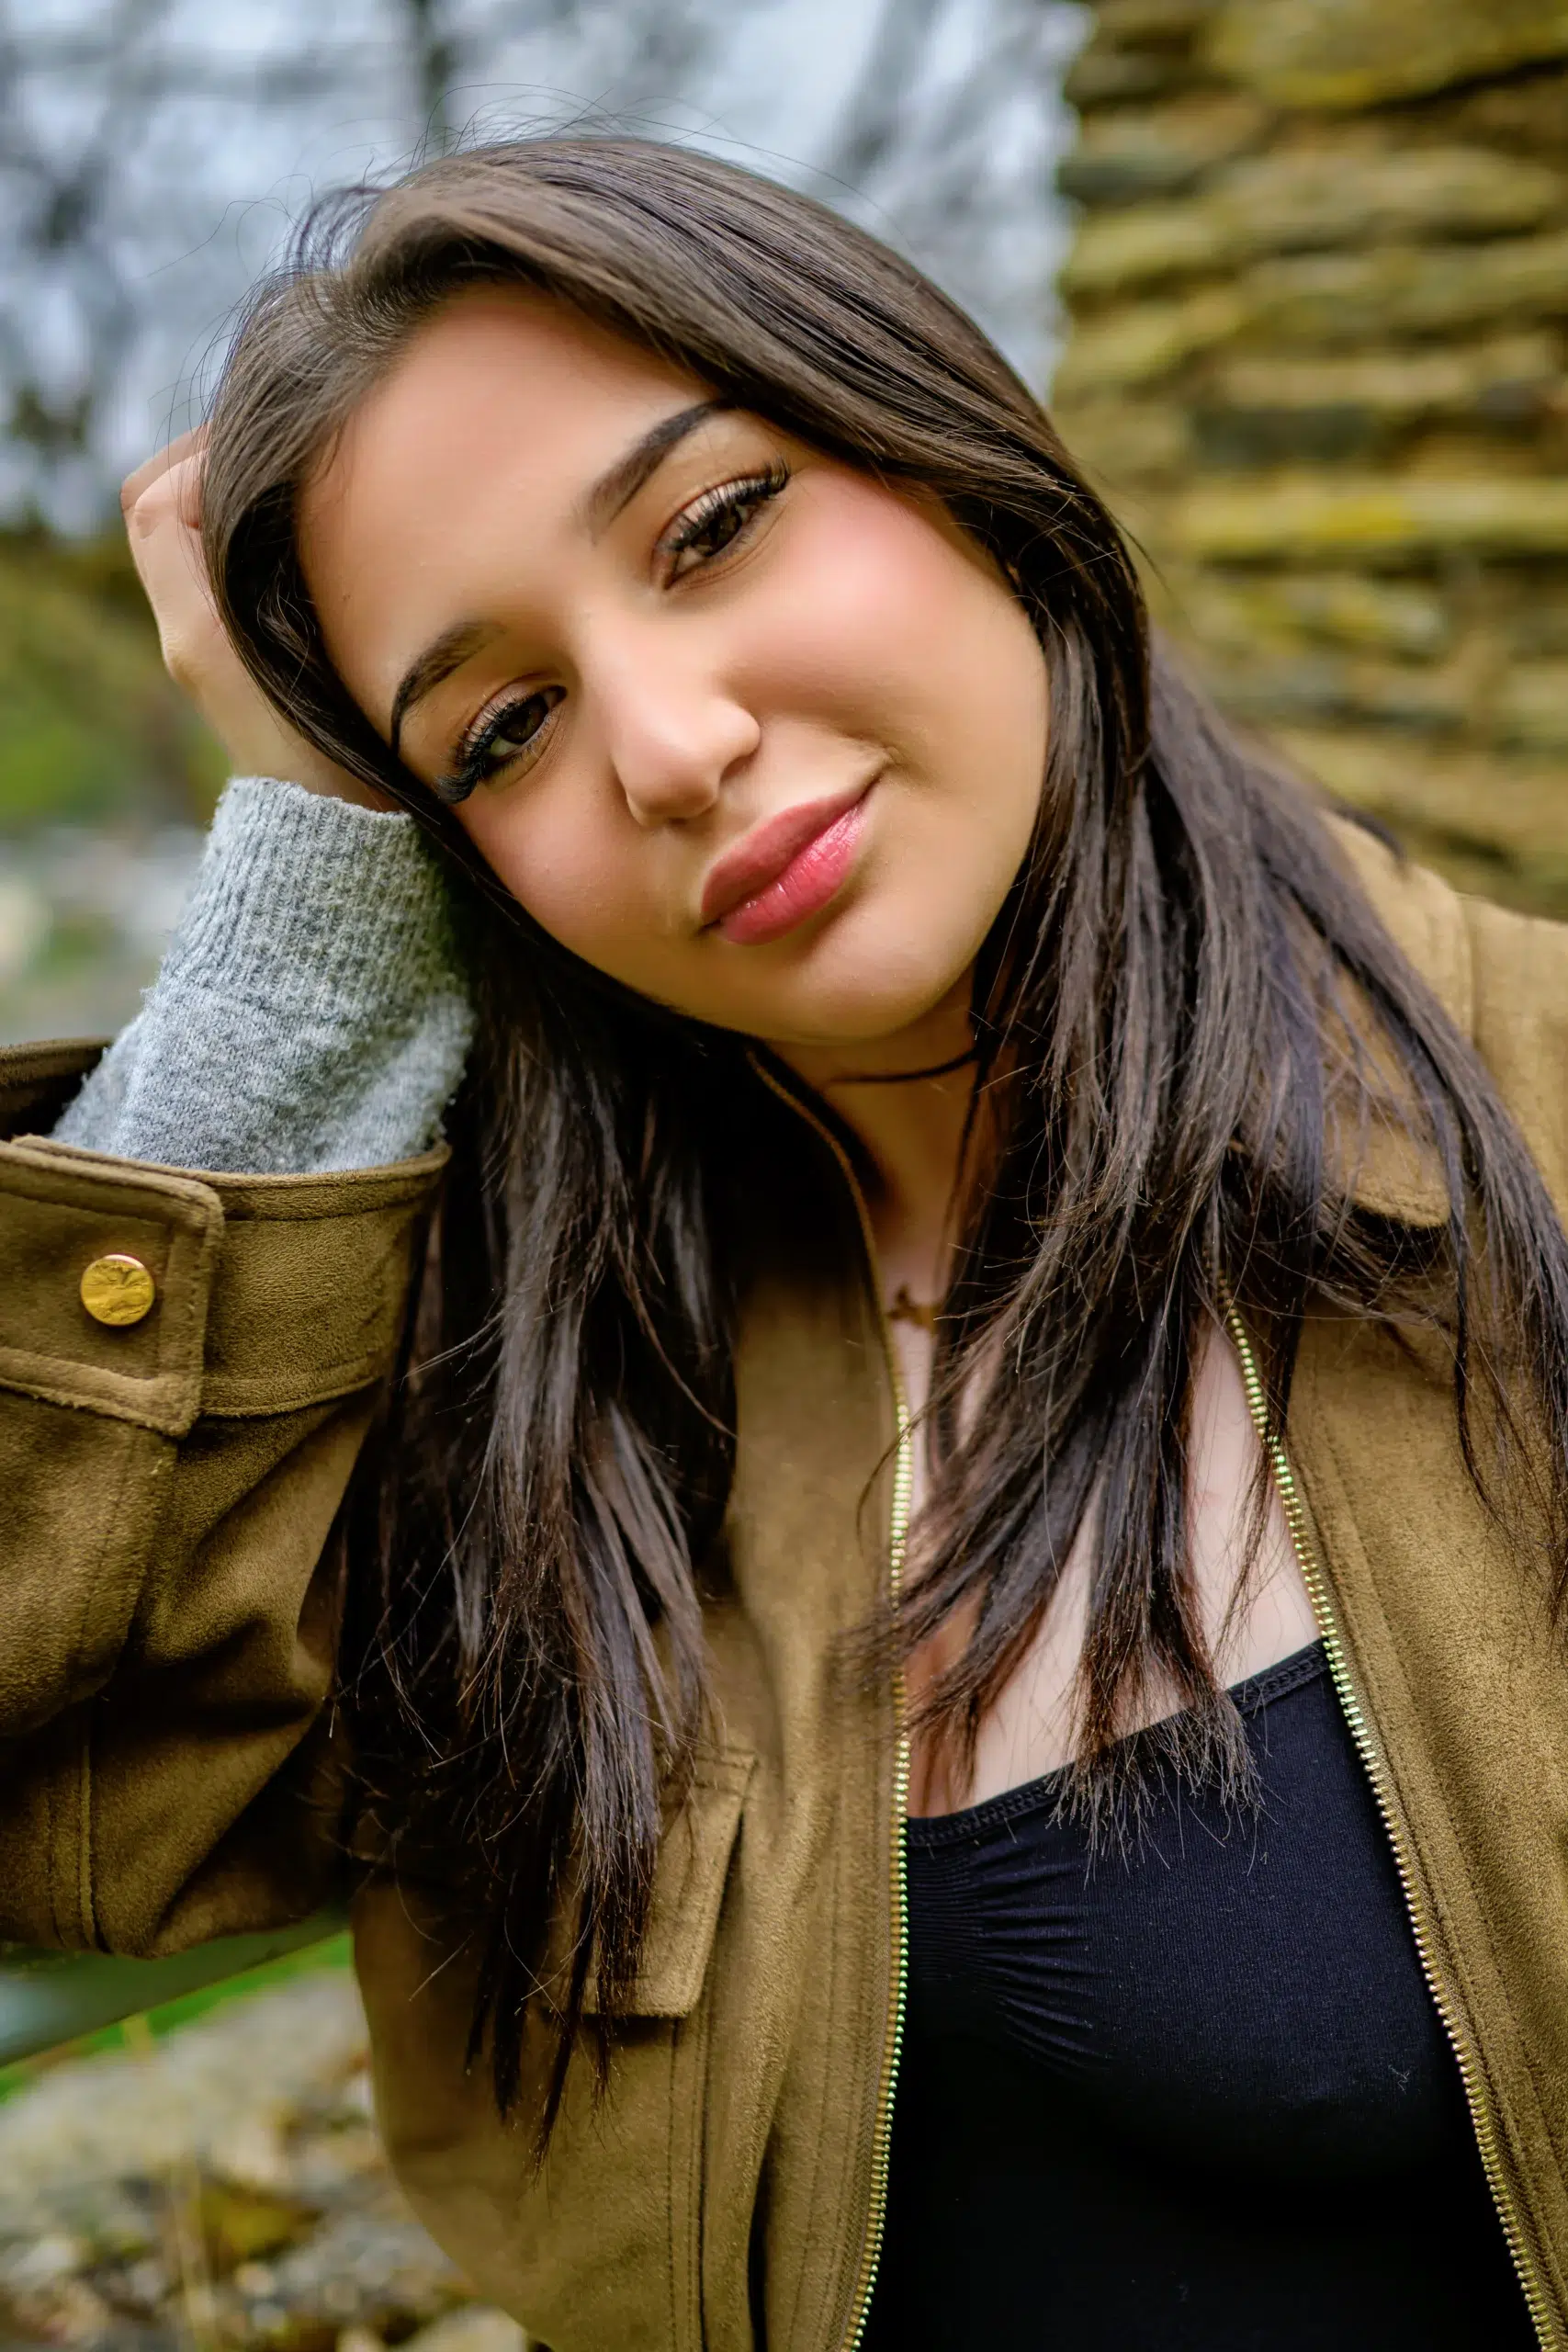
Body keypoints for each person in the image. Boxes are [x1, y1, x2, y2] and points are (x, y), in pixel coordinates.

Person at [3, 136, 1566, 2351]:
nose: (668, 745)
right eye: (500, 729)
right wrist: (304, 920)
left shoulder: (1533, 1128)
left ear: (947, 447)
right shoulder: (506, 1398)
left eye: (714, 526)